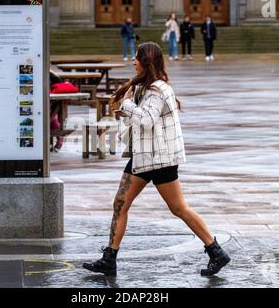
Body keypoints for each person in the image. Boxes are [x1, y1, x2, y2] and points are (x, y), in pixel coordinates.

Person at [82, 42, 231, 277]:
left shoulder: (158, 90)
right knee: (120, 204)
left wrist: (127, 105)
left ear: (147, 63)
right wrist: (127, 109)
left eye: (137, 59)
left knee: (178, 208)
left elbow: (148, 118)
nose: (133, 62)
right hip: (143, 157)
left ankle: (216, 251)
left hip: (161, 159)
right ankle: (109, 259)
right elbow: (138, 122)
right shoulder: (144, 88)